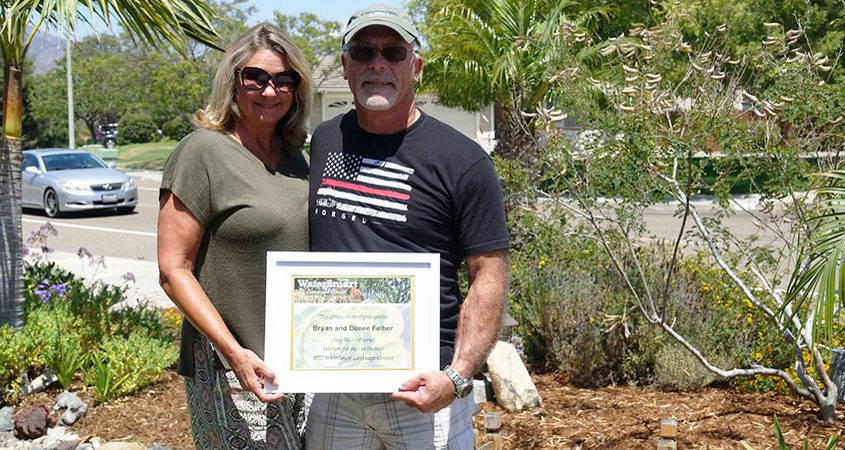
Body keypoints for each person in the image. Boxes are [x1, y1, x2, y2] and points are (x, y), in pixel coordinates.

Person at [306, 4, 510, 449]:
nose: (377, 63)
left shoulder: (463, 161)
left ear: (415, 67)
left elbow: (488, 274)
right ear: (345, 66)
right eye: (363, 51)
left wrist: (455, 378)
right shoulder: (324, 140)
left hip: (423, 389)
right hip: (333, 382)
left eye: (393, 52)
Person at [157, 23, 312, 449]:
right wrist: (233, 353)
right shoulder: (201, 152)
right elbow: (173, 270)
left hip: (302, 358)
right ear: (233, 80)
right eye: (255, 77)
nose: (269, 90)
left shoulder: (298, 158)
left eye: (284, 80)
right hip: (232, 364)